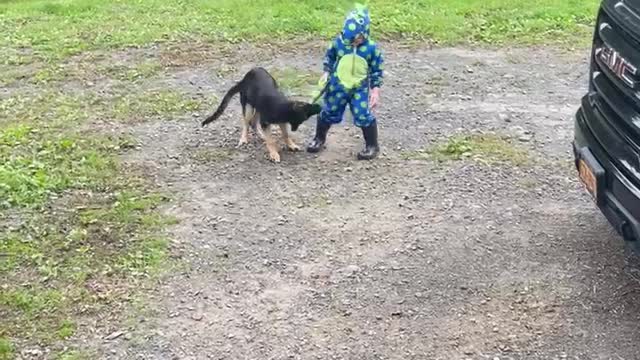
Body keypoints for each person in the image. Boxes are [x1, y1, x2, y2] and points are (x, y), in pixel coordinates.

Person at [306, 3, 384, 160]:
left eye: (358, 38)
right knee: (329, 111)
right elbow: (330, 56)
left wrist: (375, 89)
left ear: (365, 33)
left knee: (363, 114)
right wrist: (326, 72)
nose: (355, 42)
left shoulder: (371, 49)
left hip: (359, 88)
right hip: (338, 86)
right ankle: (319, 138)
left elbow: (377, 69)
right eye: (351, 39)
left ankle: (372, 145)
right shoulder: (339, 43)